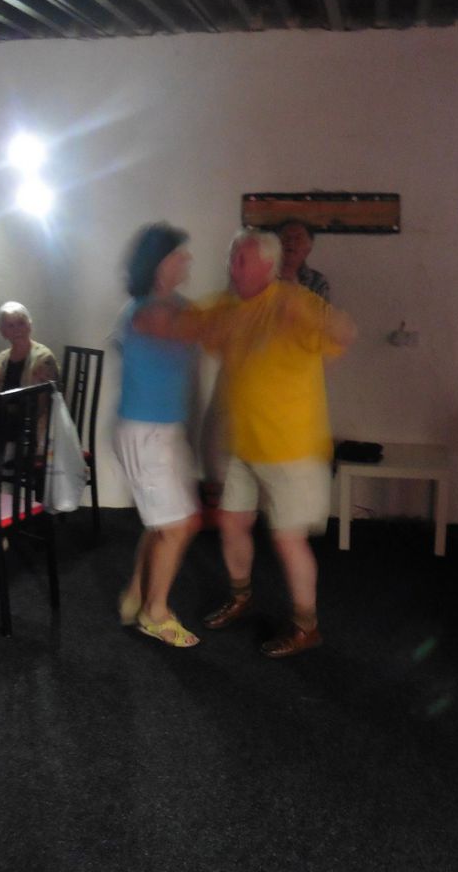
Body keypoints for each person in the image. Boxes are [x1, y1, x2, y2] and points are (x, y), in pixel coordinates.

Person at [136, 229, 355, 658]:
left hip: (292, 449)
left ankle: (306, 626)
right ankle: (241, 596)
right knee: (233, 523)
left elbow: (344, 332)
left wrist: (314, 318)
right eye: (231, 256)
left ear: (268, 266)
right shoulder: (226, 305)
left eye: (242, 259)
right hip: (243, 444)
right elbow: (186, 323)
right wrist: (150, 308)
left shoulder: (293, 301)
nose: (232, 266)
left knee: (288, 540)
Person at [113, 223, 201, 648]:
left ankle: (136, 595)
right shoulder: (147, 311)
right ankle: (155, 612)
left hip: (166, 430)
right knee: (177, 525)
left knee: (164, 522)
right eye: (179, 254)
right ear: (161, 263)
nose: (187, 260)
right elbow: (188, 329)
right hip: (145, 433)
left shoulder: (178, 306)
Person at [0, 302, 59, 393]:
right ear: (3, 332)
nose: (17, 330)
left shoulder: (44, 358)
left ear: (29, 326)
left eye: (21, 323)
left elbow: (50, 398)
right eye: (10, 326)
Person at [277, 219, 330, 301]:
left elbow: (321, 309)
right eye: (286, 237)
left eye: (298, 238)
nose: (291, 242)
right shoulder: (263, 276)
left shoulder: (317, 281)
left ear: (309, 247)